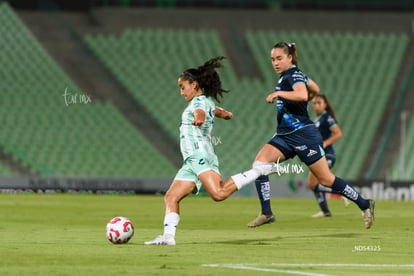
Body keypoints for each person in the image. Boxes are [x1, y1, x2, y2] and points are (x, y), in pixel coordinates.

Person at [144, 56, 278, 245]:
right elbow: (214, 109)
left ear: (194, 84)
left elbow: (201, 111)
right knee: (171, 197)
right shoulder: (206, 101)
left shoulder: (198, 103)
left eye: (183, 87)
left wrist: (199, 118)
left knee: (219, 194)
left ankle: (260, 171)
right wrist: (225, 114)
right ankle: (168, 237)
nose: (181, 92)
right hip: (191, 161)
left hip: (199, 155)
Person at [245, 42, 374, 229]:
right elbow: (314, 87)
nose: (275, 63)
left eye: (279, 58)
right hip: (284, 135)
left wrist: (278, 93)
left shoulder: (294, 74)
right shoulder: (290, 75)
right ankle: (266, 212)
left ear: (289, 58)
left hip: (304, 135)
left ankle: (365, 204)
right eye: (273, 59)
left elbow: (302, 94)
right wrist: (305, 93)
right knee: (259, 165)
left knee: (326, 180)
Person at [309, 94, 349, 218]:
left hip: (328, 155)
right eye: (314, 103)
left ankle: (343, 192)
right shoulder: (318, 119)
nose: (316, 106)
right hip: (319, 155)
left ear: (325, 104)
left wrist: (325, 143)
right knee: (312, 184)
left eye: (319, 103)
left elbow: (338, 134)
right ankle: (325, 211)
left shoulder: (327, 118)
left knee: (321, 181)